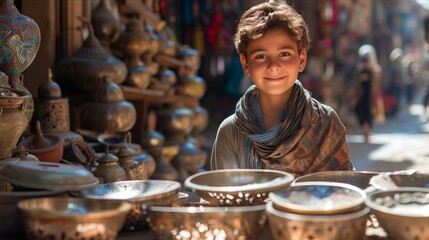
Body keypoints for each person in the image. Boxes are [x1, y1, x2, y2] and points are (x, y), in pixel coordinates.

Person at [209, 1, 353, 177]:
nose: (273, 66)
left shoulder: (326, 122)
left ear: (301, 60)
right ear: (245, 64)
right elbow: (225, 198)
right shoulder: (231, 132)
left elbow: (344, 190)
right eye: (261, 56)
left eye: (284, 54)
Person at [352, 53, 373, 143]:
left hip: (370, 97)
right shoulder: (359, 72)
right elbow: (355, 85)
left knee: (369, 114)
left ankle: (367, 131)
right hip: (360, 97)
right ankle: (365, 129)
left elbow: (377, 85)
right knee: (360, 112)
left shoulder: (373, 72)